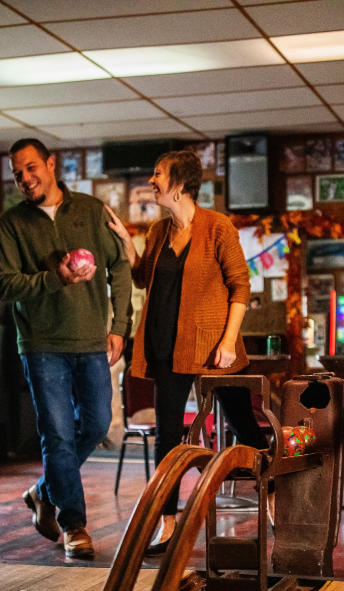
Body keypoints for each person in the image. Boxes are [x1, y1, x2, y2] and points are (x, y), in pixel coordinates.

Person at [107, 150, 266, 555]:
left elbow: (240, 286)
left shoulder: (217, 227)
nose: (152, 180)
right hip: (165, 346)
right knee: (167, 439)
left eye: (157, 174)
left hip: (214, 350)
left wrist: (229, 341)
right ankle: (168, 523)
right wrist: (127, 243)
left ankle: (275, 494)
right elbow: (144, 277)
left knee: (244, 428)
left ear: (179, 183)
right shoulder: (158, 232)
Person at [0, 138, 133, 559]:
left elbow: (120, 265)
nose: (25, 179)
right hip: (41, 344)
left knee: (96, 425)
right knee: (56, 434)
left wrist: (120, 326)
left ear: (51, 165)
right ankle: (74, 524)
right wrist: (56, 277)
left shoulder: (91, 211)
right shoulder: (11, 225)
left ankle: (43, 491)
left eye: (32, 168)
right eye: (18, 173)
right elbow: (4, 285)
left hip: (91, 339)